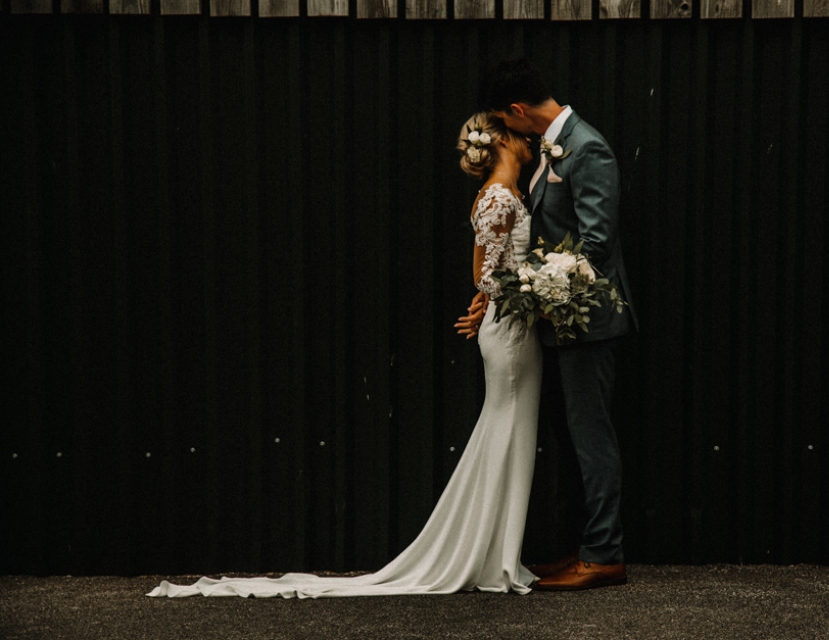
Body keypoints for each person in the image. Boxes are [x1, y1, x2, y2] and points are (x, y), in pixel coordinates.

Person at [147, 113, 541, 598]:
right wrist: (530, 287)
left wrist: (506, 290)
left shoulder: (510, 193)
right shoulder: (500, 197)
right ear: (501, 140)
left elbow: (492, 271)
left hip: (511, 326)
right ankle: (490, 557)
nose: (531, 140)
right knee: (506, 428)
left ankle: (498, 553)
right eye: (523, 135)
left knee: (511, 430)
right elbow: (484, 272)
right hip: (510, 332)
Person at [470, 58, 639, 591]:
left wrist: (525, 291)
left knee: (592, 439)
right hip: (558, 321)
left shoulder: (588, 149)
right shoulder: (549, 149)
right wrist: (501, 293)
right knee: (574, 439)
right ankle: (583, 547)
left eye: (505, 119)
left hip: (590, 321)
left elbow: (594, 247)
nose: (506, 131)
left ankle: (604, 555)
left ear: (519, 111)